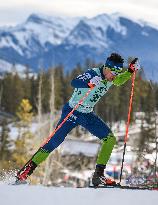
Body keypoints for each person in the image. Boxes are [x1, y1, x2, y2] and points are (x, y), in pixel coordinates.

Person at [16, 53, 139, 186]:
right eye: (114, 73)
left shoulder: (111, 78)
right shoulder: (93, 74)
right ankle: (24, 172)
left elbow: (120, 81)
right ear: (107, 68)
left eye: (117, 73)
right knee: (54, 141)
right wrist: (89, 83)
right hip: (72, 112)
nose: (114, 76)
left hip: (87, 115)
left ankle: (98, 176)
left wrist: (130, 71)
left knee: (110, 139)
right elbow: (74, 82)